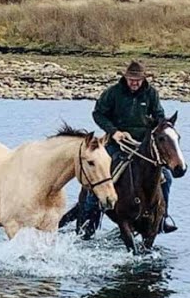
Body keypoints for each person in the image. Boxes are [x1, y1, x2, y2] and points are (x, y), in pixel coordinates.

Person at [76, 59, 178, 239]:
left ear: (143, 79)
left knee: (167, 178)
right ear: (125, 78)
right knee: (102, 175)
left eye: (137, 80)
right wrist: (114, 131)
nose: (134, 83)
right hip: (117, 143)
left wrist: (159, 126)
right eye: (131, 79)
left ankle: (162, 218)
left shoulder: (151, 94)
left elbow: (159, 116)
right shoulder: (113, 93)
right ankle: (89, 215)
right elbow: (98, 114)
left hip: (143, 146)